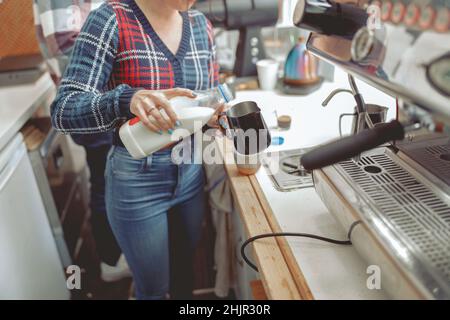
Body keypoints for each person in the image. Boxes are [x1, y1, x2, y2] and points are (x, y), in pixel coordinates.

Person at [50, 0, 222, 299]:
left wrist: (218, 112)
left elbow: (212, 93)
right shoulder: (111, 19)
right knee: (154, 289)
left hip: (191, 172)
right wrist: (126, 99)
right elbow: (63, 110)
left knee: (185, 277)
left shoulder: (200, 26)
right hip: (137, 182)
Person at [33, 0, 132, 282]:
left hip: (106, 104)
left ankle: (116, 253)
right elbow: (65, 48)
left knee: (108, 179)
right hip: (93, 107)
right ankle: (111, 260)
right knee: (106, 181)